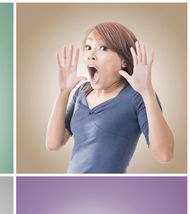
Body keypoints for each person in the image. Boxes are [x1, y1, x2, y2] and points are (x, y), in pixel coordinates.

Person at [46, 22, 174, 173]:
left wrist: (147, 93)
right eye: (88, 47)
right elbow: (53, 143)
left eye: (103, 48)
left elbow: (164, 155)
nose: (91, 55)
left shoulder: (136, 96)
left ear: (124, 61)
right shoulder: (82, 91)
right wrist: (63, 92)